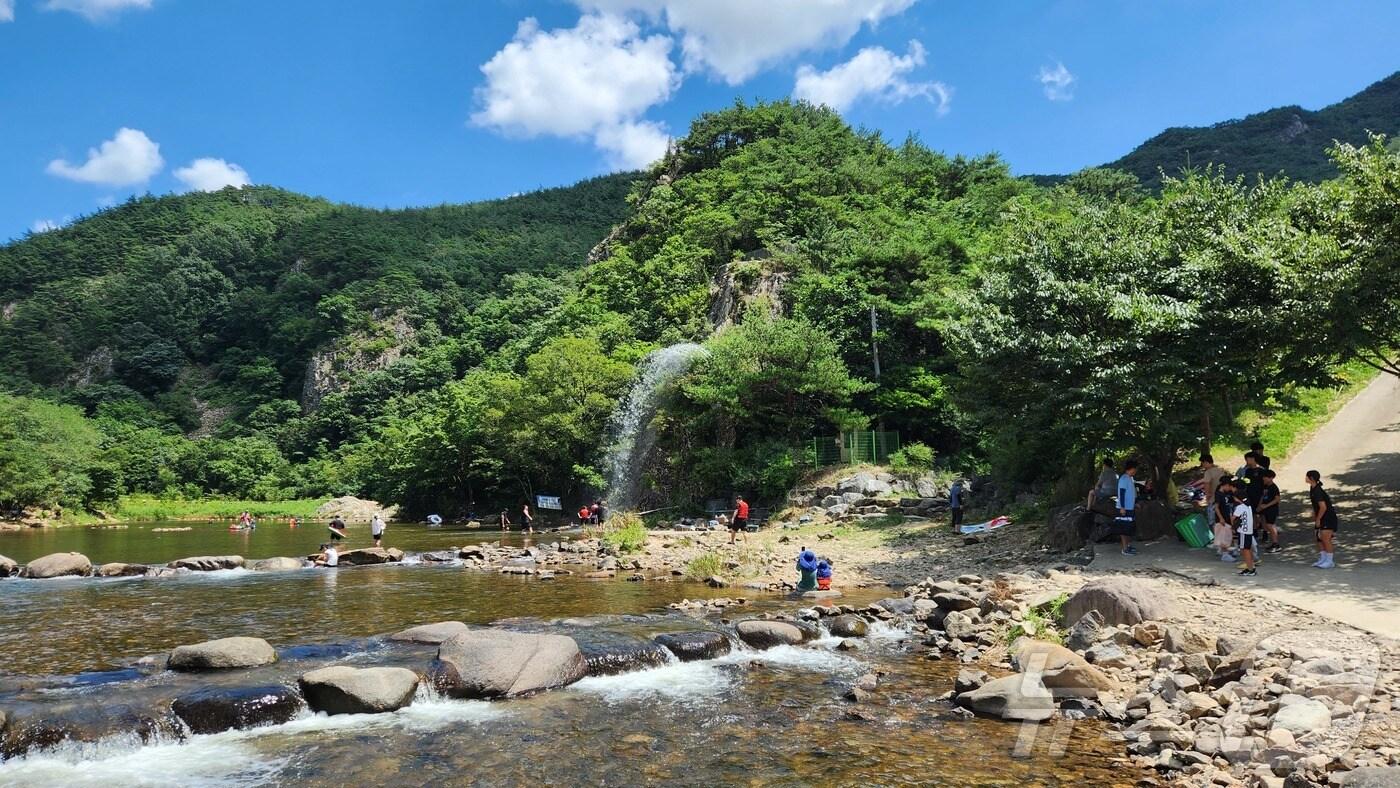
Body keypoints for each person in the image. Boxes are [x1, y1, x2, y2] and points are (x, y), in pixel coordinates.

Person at [1307, 470, 1338, 569]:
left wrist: (1318, 519)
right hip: (1321, 516)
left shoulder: (1318, 491)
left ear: (1311, 478)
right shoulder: (1312, 488)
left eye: (1307, 476)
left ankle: (1329, 561)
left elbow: (1323, 507)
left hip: (1327, 517)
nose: (1305, 478)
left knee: (1325, 538)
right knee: (1319, 538)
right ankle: (1323, 558)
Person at [1232, 488, 1257, 576]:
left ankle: (1250, 569)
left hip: (1243, 531)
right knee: (1247, 549)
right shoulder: (1248, 506)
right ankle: (1250, 567)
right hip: (1249, 531)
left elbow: (1233, 518)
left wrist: (1232, 526)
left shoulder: (1240, 507)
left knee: (1244, 551)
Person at [1115, 460, 1138, 556]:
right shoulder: (1124, 479)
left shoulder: (1130, 478)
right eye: (1134, 469)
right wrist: (1122, 507)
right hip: (1124, 508)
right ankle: (1124, 548)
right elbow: (1122, 493)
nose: (1135, 471)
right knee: (1124, 528)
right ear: (1129, 469)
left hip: (1130, 507)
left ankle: (1128, 546)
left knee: (1129, 528)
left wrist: (1135, 503)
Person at [1213, 477, 1239, 561]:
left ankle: (1227, 552)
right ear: (1226, 485)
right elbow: (1216, 507)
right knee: (1223, 537)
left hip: (1227, 517)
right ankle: (1225, 554)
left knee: (1227, 536)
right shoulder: (1218, 494)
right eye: (1229, 486)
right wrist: (1221, 518)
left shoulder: (1224, 494)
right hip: (1222, 518)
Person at [1257, 468, 1282, 553]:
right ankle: (1274, 540)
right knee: (1266, 526)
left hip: (1272, 509)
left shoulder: (1274, 488)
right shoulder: (1265, 486)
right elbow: (1262, 496)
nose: (1264, 478)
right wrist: (1260, 506)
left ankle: (1276, 544)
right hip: (1265, 509)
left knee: (1270, 525)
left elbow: (1277, 499)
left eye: (1266, 477)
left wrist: (1266, 506)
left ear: (1271, 478)